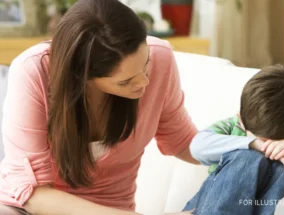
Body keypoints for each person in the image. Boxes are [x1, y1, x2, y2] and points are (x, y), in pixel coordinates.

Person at [0, 0, 204, 214]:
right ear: (82, 76)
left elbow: (182, 140)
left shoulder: (160, 57)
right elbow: (34, 195)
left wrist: (234, 143)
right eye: (125, 82)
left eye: (145, 66)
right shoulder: (33, 71)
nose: (144, 82)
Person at [184, 64, 284, 215]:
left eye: (280, 144)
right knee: (247, 157)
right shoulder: (232, 130)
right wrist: (253, 145)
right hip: (211, 208)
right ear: (241, 120)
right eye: (264, 142)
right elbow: (197, 147)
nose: (270, 149)